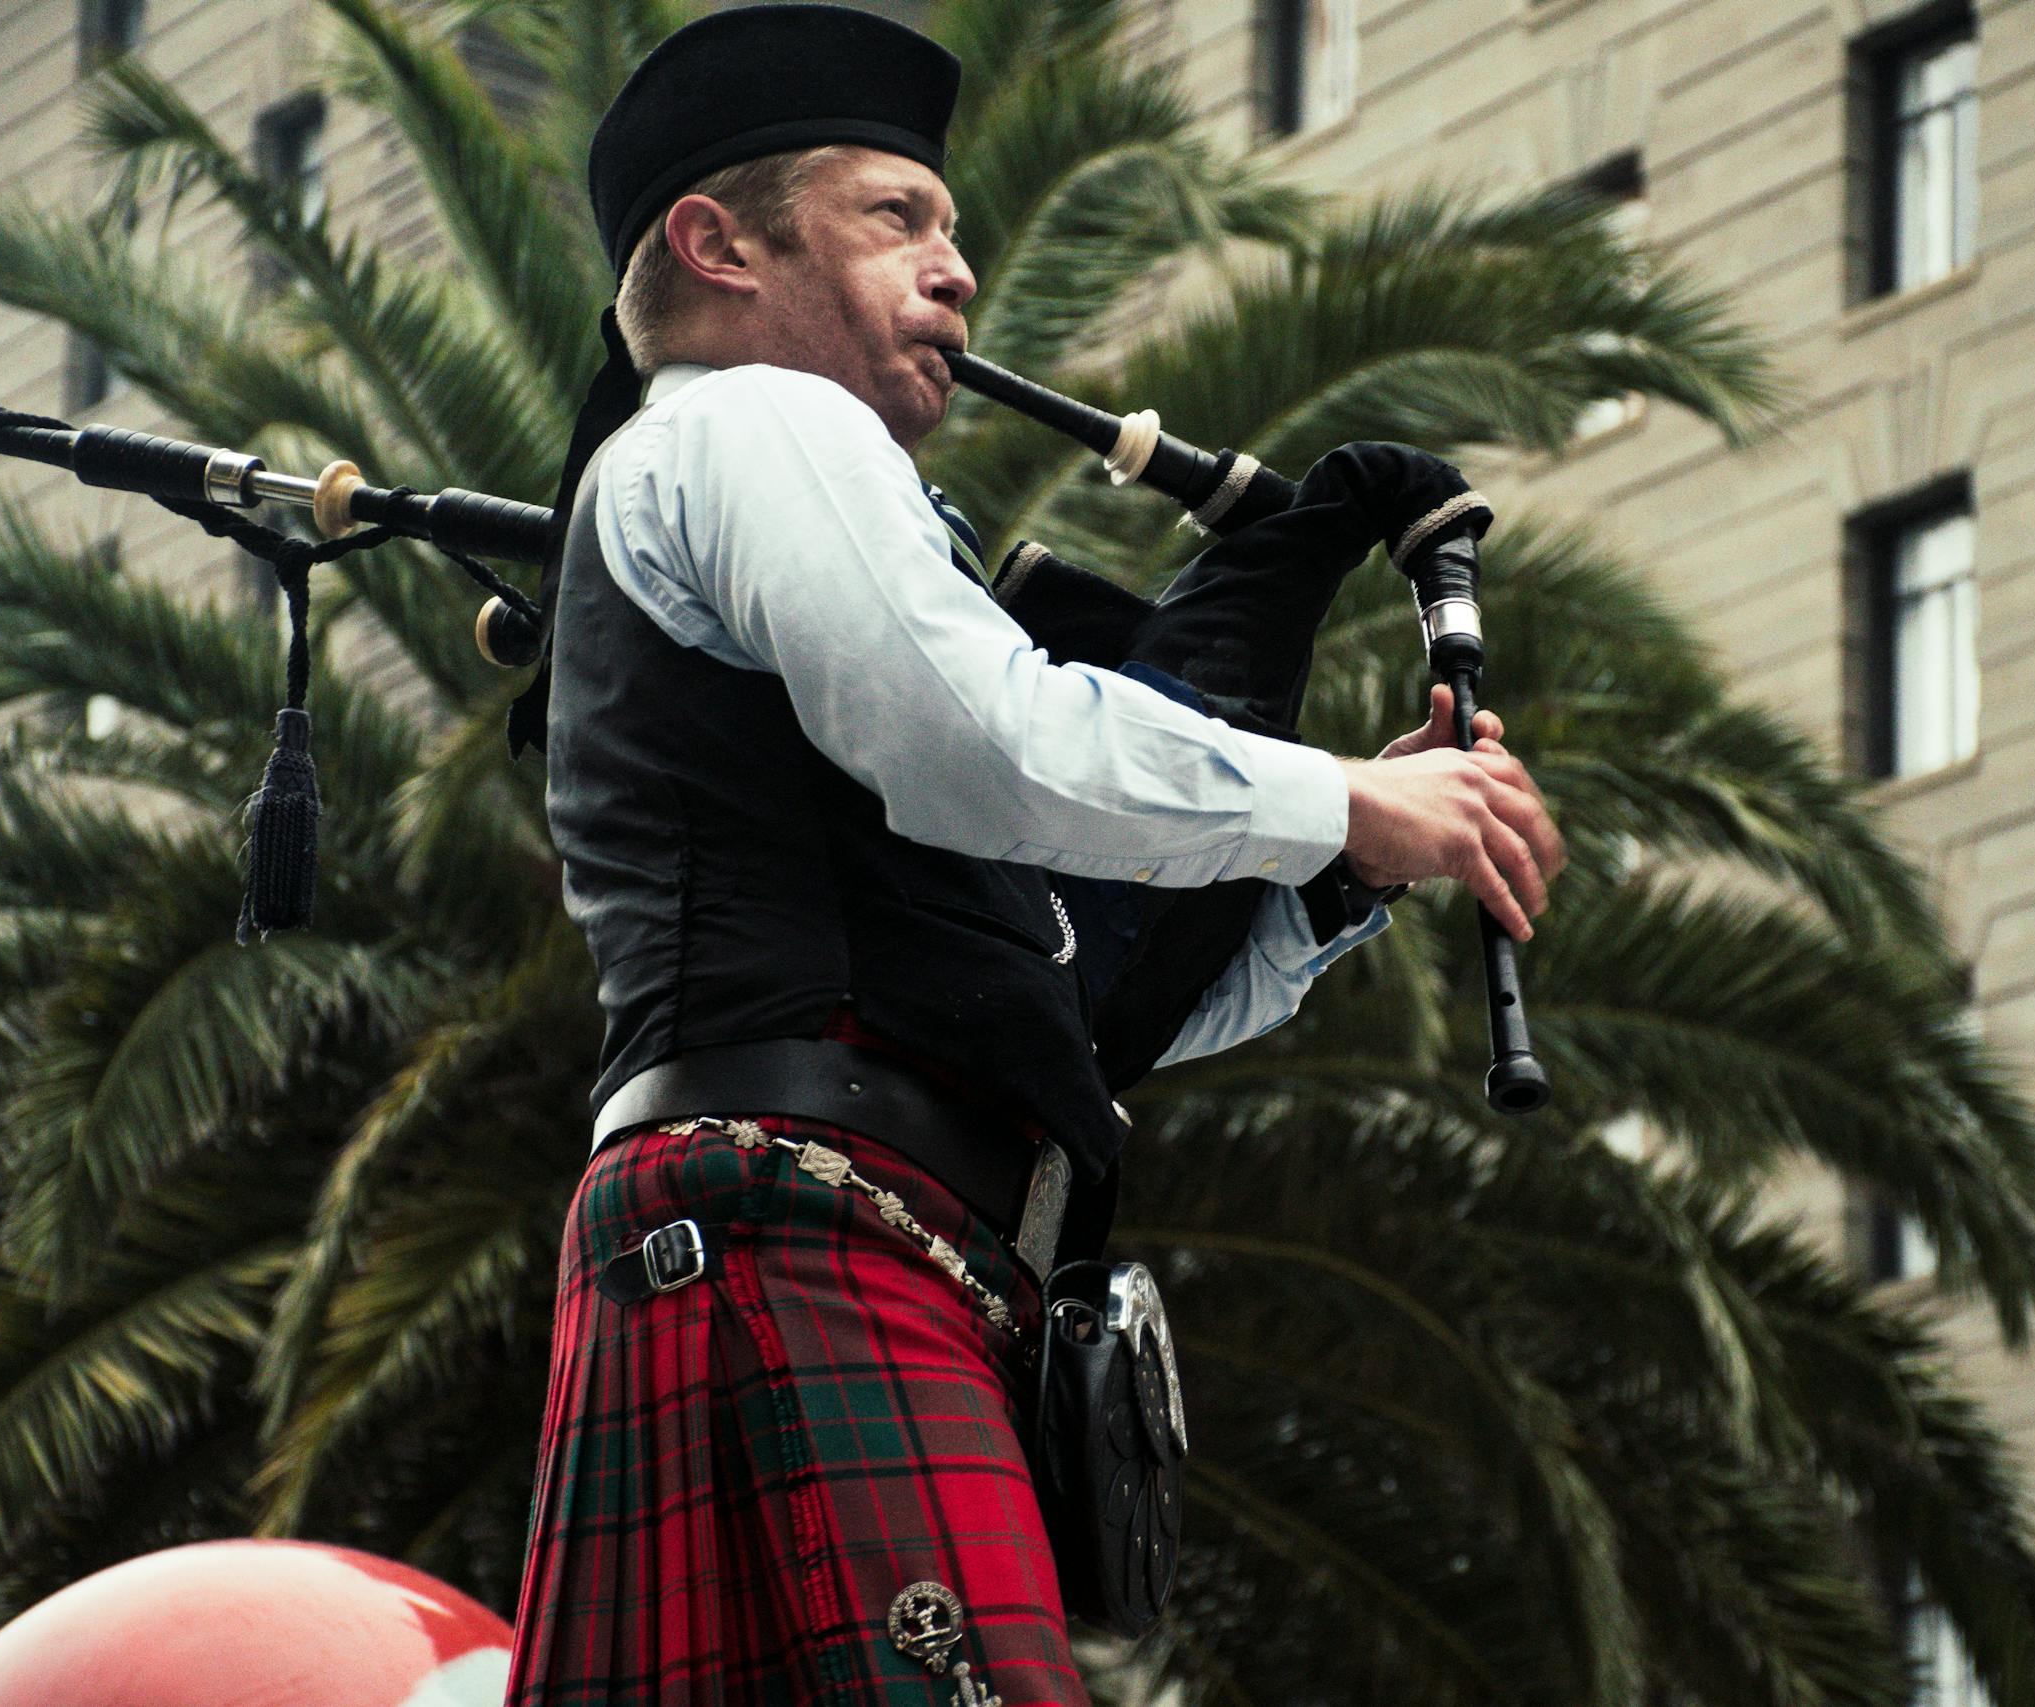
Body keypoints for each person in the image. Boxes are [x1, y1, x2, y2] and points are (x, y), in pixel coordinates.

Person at [501, 8, 1563, 1704]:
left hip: (819, 1240)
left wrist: (1352, 868)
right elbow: (982, 739)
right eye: (895, 217)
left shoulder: (777, 486)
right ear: (717, 242)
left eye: (951, 224)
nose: (959, 268)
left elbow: (1048, 994)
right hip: (805, 1233)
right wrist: (1345, 802)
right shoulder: (751, 428)